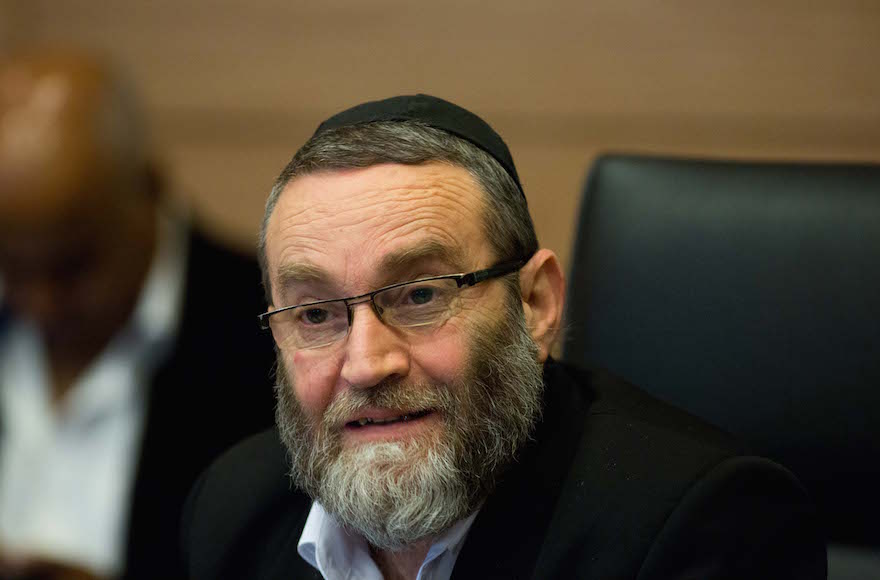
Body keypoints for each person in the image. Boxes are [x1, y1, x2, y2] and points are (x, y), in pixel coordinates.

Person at [180, 94, 827, 580]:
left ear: (536, 304)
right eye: (316, 315)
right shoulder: (235, 509)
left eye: (421, 295)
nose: (366, 364)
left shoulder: (702, 527)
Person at [0, 52, 275, 579]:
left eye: (73, 267)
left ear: (147, 190)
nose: (40, 302)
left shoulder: (268, 331)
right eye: (11, 268)